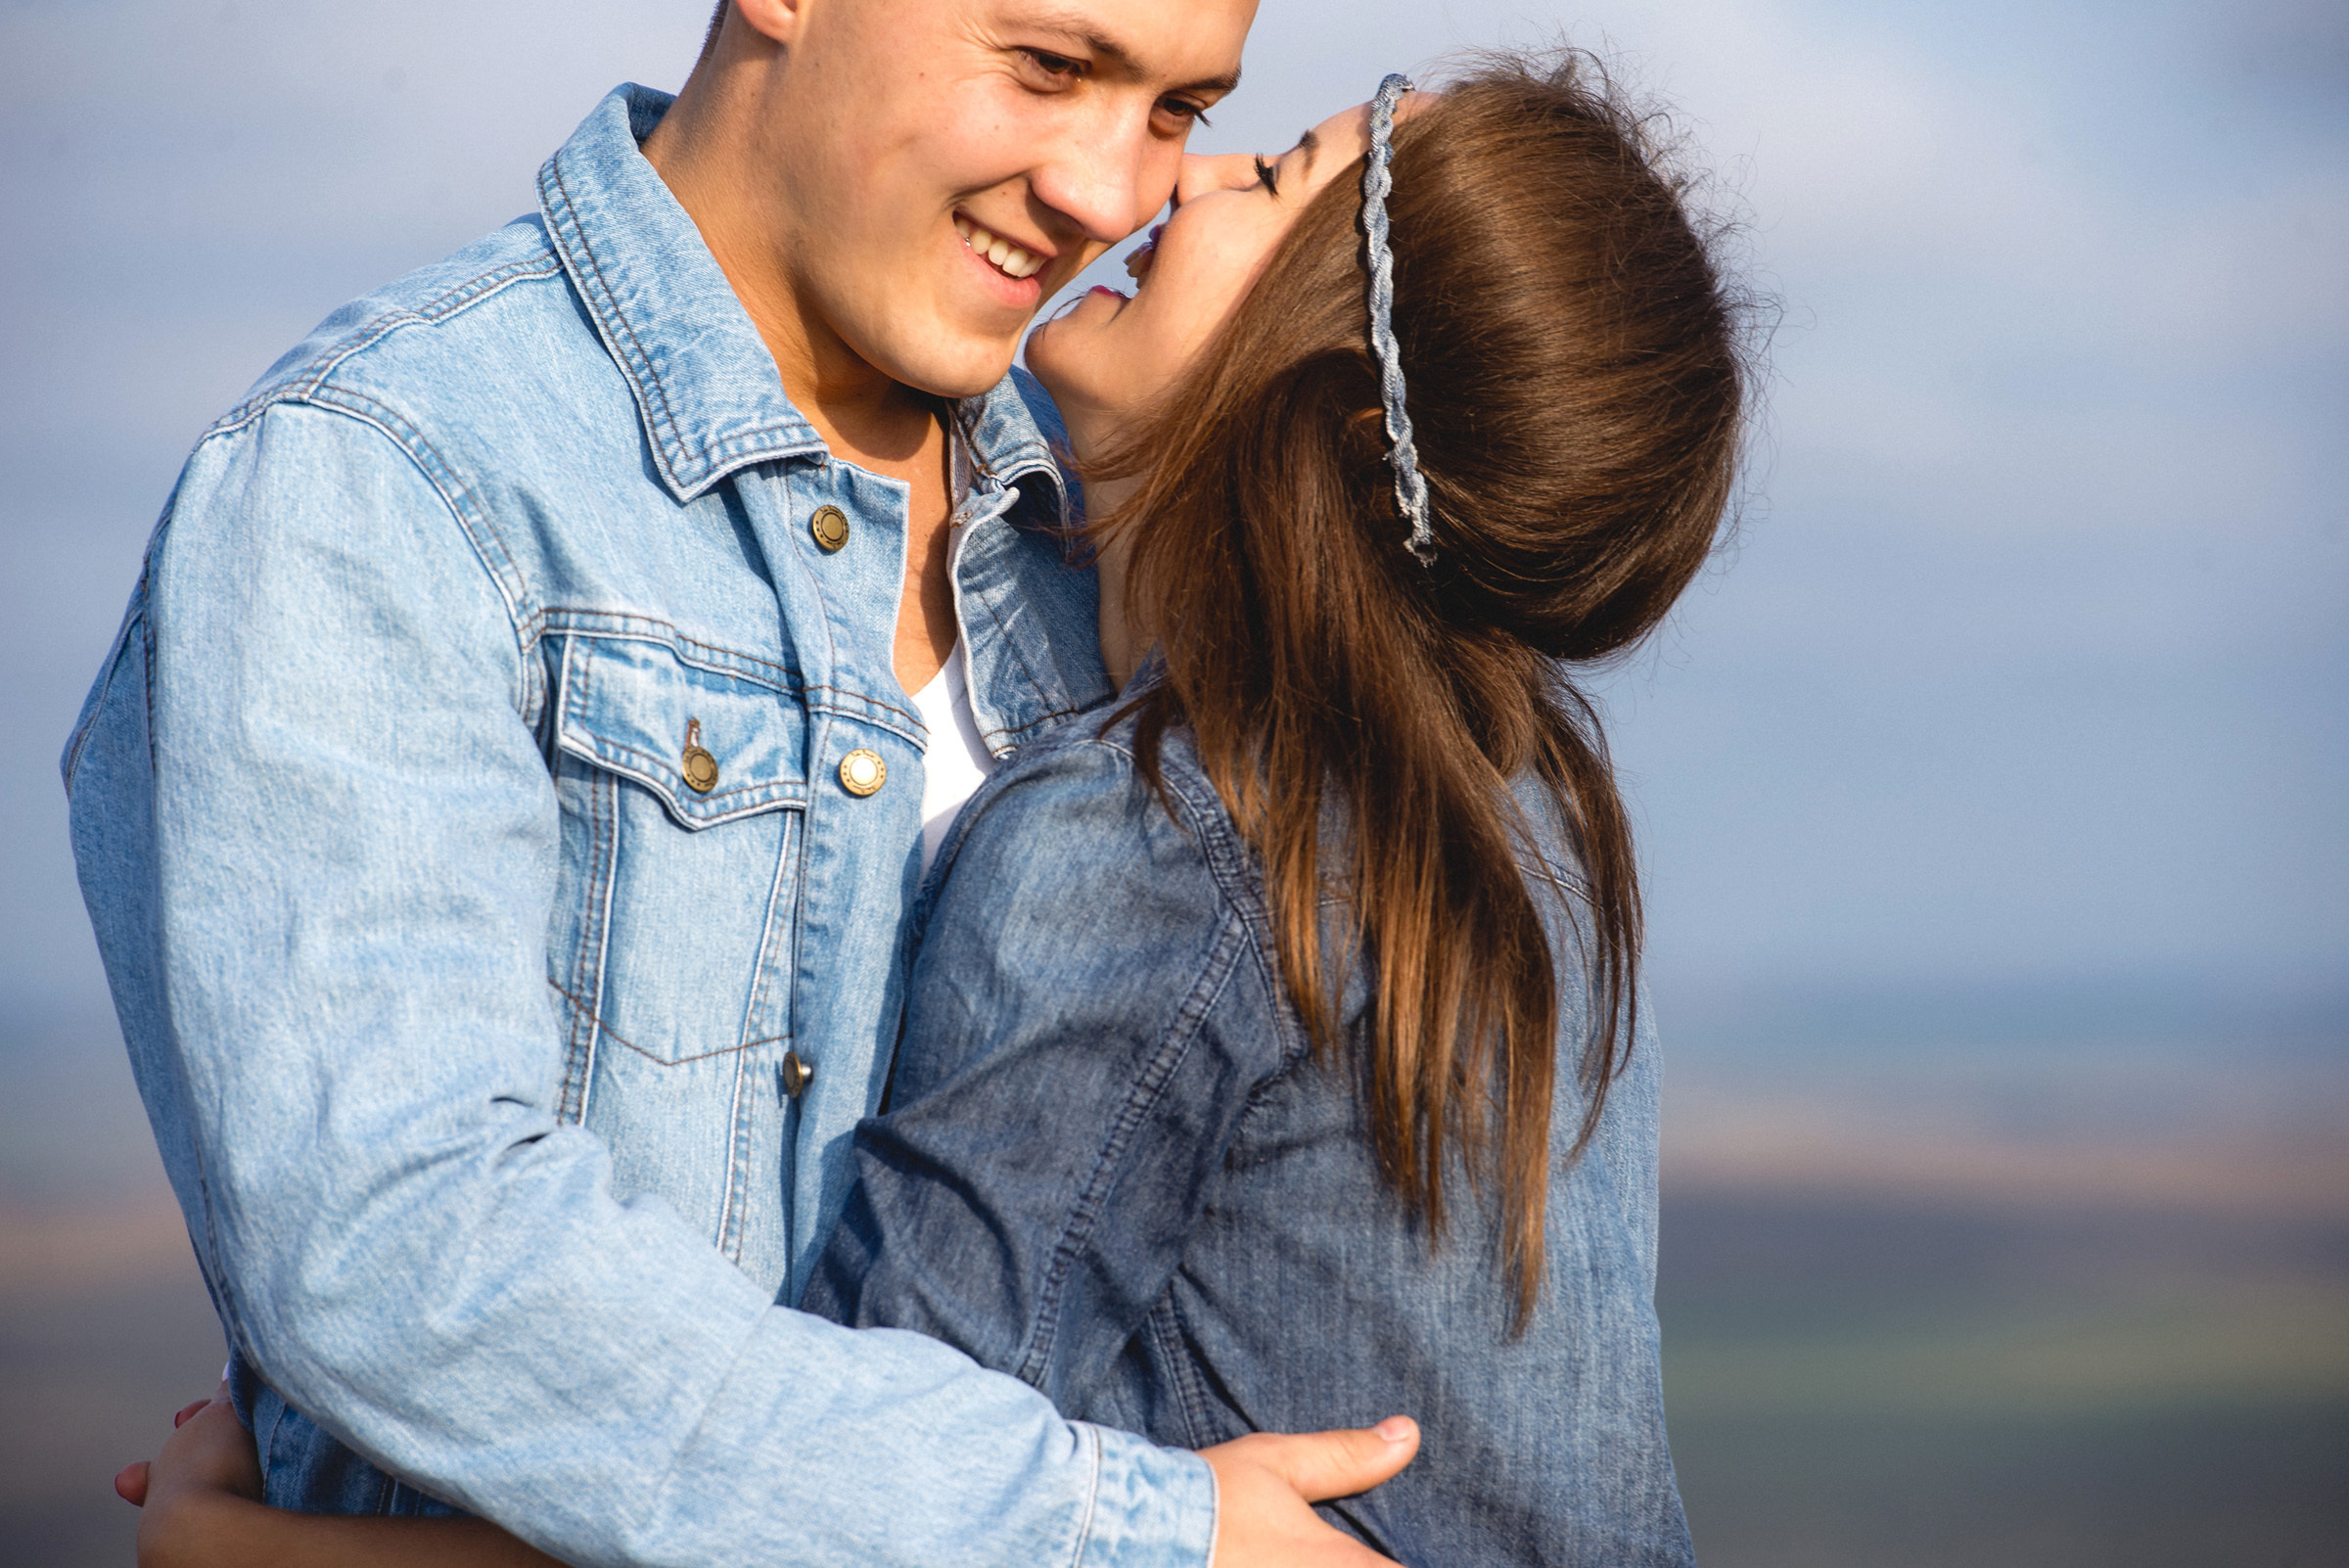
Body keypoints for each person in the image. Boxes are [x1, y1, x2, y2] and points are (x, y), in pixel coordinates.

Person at [120, 52, 1747, 1568]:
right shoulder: (1526, 819)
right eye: (1052, 66)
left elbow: (896, 1482)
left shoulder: (1163, 830)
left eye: (1215, 136)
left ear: (1343, 405)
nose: (1147, 187)